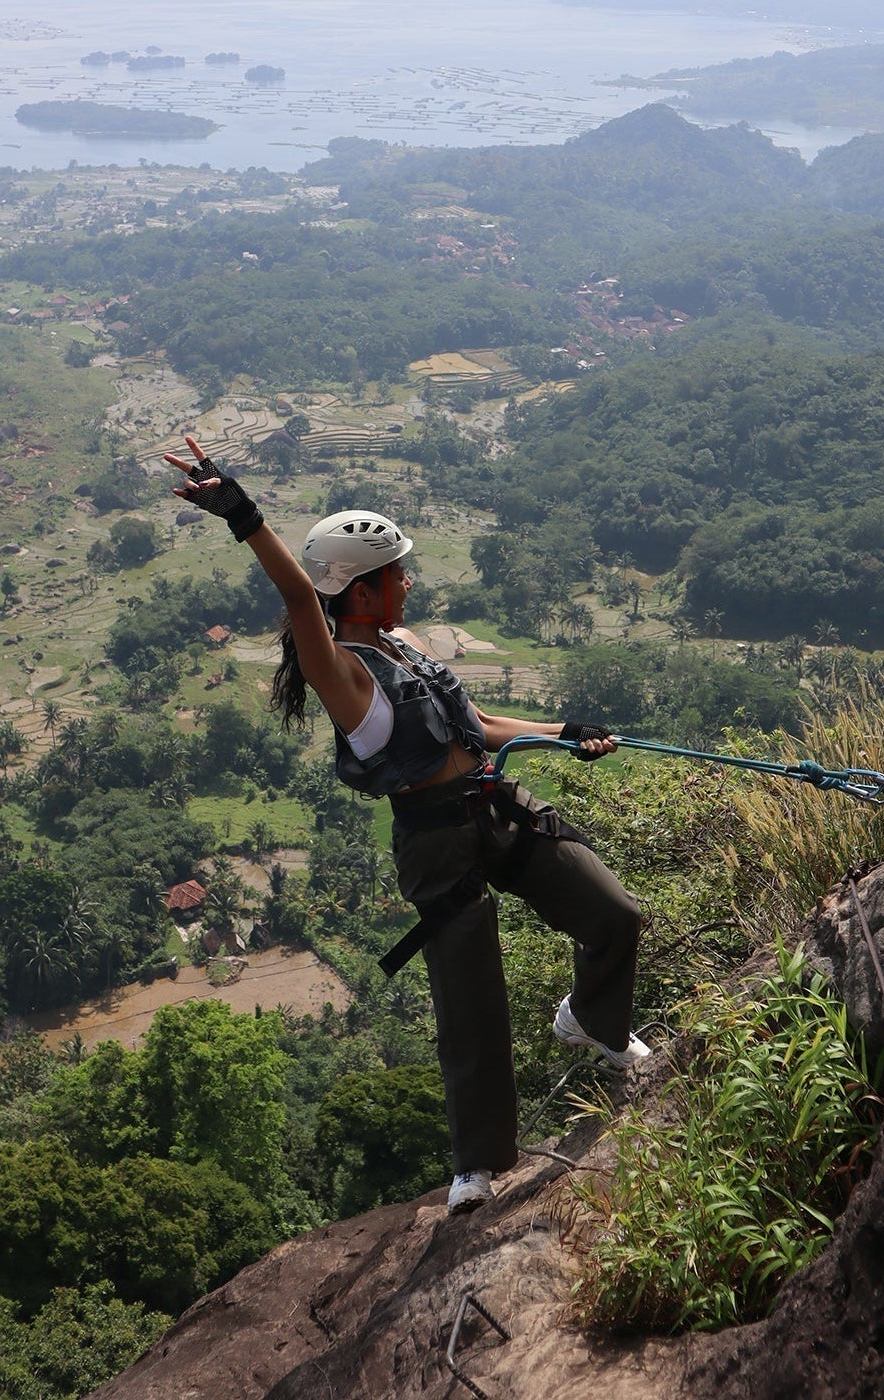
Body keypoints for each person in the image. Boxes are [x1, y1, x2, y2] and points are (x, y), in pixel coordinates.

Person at [166, 437, 647, 1215]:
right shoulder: (343, 674)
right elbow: (297, 598)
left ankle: (590, 1022)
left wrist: (564, 733)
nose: (409, 580)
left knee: (614, 913)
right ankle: (477, 1166)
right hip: (435, 840)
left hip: (495, 806)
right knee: (472, 1005)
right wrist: (243, 514)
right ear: (359, 591)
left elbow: (478, 722)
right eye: (396, 572)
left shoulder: (408, 646)